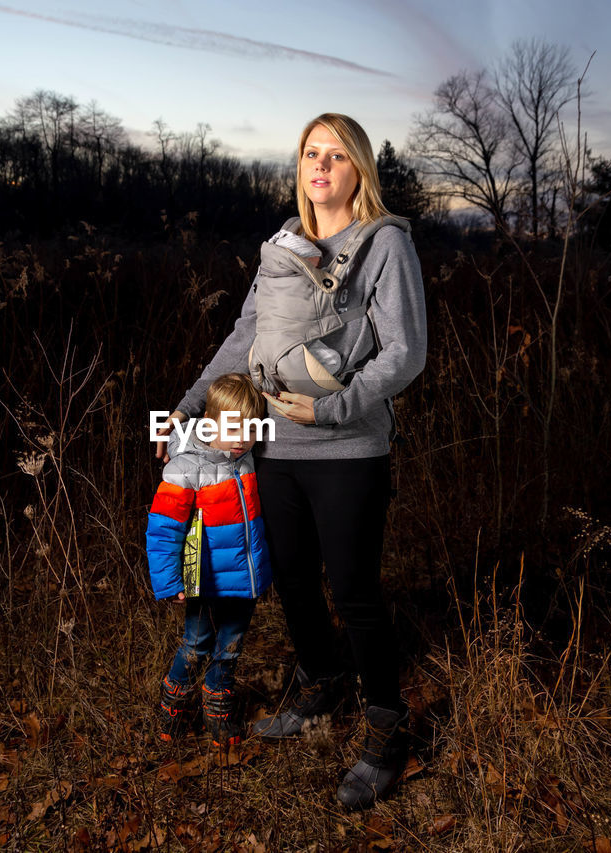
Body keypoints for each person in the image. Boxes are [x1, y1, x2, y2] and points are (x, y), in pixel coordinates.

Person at [154, 113, 427, 809]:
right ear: (299, 164)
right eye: (312, 153)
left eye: (337, 155)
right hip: (273, 445)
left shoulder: (385, 244)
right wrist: (189, 404)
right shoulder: (282, 247)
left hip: (348, 447)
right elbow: (244, 334)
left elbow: (404, 352)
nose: (322, 165)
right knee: (295, 581)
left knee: (353, 589)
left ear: (358, 168)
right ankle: (319, 682)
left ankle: (387, 730)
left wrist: (333, 409)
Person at [145, 373, 273, 747]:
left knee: (231, 644)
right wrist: (170, 582)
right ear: (211, 422)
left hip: (242, 580)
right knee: (197, 642)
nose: (242, 437)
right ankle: (175, 705)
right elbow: (163, 528)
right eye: (233, 427)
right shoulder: (185, 467)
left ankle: (217, 705)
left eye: (251, 428)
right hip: (202, 580)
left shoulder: (247, 457)